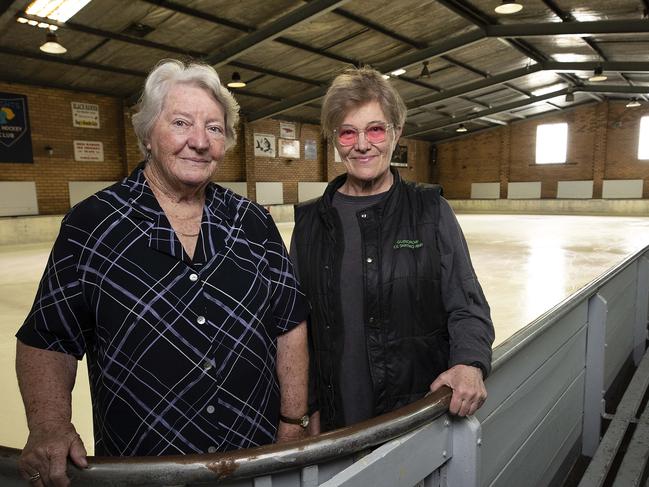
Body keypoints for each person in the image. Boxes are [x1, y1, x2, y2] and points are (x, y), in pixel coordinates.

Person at [15, 59, 309, 486]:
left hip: (253, 455)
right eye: (181, 123)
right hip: (144, 466)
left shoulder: (252, 222)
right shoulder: (93, 224)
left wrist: (291, 420)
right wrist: (49, 425)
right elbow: (48, 337)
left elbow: (289, 324)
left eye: (214, 128)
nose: (199, 141)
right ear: (148, 134)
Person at [291, 67, 494, 433]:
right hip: (336, 423)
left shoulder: (430, 211)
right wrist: (304, 408)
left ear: (397, 133)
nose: (363, 144)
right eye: (348, 132)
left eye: (376, 129)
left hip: (415, 419)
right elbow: (297, 329)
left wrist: (469, 361)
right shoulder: (309, 223)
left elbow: (467, 305)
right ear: (335, 141)